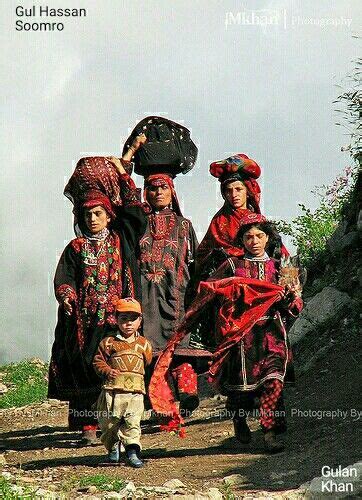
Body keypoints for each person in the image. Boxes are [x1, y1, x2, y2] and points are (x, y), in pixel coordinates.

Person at [149, 217, 302, 452]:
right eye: (248, 237)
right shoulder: (232, 266)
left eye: (259, 236)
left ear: (268, 238)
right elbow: (210, 290)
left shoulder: (281, 267)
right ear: (241, 240)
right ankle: (239, 418)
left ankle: (270, 434)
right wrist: (232, 296)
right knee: (242, 385)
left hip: (272, 332)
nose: (254, 241)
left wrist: (290, 297)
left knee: (273, 381)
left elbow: (295, 304)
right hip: (241, 335)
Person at [48, 152, 146, 446]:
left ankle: (119, 425)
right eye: (87, 214)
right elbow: (64, 278)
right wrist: (66, 296)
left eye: (98, 213)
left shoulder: (121, 239)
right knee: (83, 368)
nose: (92, 219)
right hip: (83, 321)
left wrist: (124, 175)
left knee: (113, 368)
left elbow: (137, 215)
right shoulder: (75, 247)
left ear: (108, 215)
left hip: (116, 320)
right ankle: (87, 425)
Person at [140, 173, 209, 414]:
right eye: (152, 188)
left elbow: (196, 262)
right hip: (146, 297)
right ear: (145, 192)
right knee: (151, 351)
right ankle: (163, 406)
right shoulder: (139, 224)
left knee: (181, 345)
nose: (158, 193)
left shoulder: (184, 225)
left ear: (172, 192)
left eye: (163, 188)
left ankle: (188, 393)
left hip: (177, 293)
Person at [195, 154, 288, 279]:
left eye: (238, 189)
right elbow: (203, 256)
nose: (234, 194)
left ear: (248, 191)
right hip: (228, 278)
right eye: (229, 190)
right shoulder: (219, 221)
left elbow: (279, 254)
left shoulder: (259, 221)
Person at [93, 298, 152, 467]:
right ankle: (113, 448)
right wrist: (107, 370)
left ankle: (133, 452)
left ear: (140, 321)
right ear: (116, 320)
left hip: (135, 391)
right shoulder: (108, 343)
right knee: (109, 423)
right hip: (112, 391)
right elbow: (98, 362)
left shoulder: (144, 345)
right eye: (123, 319)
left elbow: (147, 363)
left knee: (133, 422)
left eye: (133, 319)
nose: (128, 323)